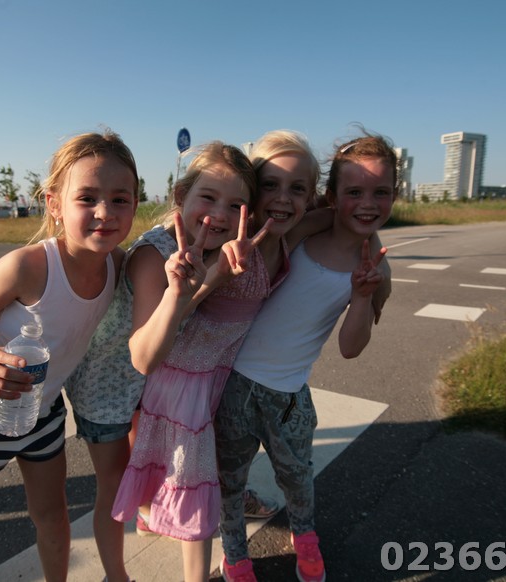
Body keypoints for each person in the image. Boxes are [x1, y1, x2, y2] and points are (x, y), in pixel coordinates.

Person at [0, 131, 139, 582]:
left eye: (120, 199)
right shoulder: (28, 266)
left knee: (53, 517)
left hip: (41, 414)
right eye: (87, 197)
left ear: (136, 204)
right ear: (54, 204)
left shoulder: (119, 264)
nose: (105, 212)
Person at [215, 131, 396, 582]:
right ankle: (235, 554)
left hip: (289, 396)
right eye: (354, 192)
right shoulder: (300, 230)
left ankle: (305, 535)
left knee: (297, 477)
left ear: (395, 195)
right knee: (228, 479)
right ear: (331, 196)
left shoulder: (376, 267)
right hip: (232, 384)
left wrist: (361, 296)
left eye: (381, 192)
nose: (367, 203)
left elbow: (350, 348)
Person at [110, 142, 278, 582]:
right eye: (208, 197)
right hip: (165, 387)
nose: (219, 215)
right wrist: (210, 281)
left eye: (236, 205)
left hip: (205, 382)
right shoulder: (155, 254)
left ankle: (150, 515)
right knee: (195, 502)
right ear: (181, 196)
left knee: (180, 476)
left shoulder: (230, 247)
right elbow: (146, 357)